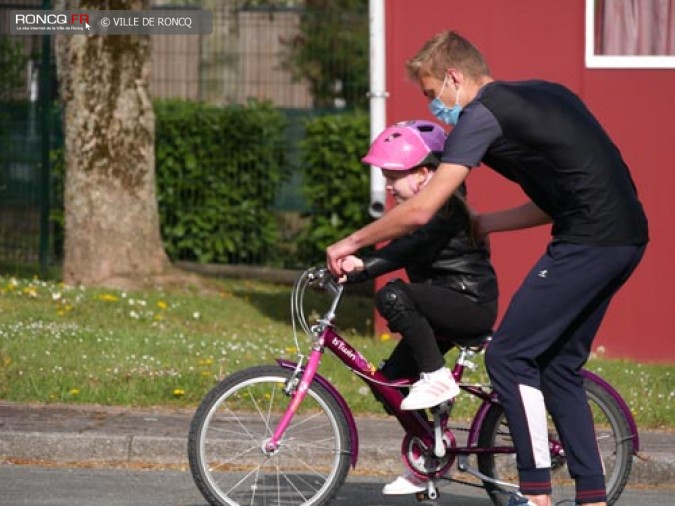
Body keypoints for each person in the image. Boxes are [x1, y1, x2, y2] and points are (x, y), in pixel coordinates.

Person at [326, 31, 648, 506]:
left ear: (455, 77)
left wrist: (351, 241)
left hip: (587, 241)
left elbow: (422, 210)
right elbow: (558, 197)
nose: (436, 107)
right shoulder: (546, 95)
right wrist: (486, 222)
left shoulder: (482, 115)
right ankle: (592, 497)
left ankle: (535, 493)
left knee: (508, 357)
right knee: (558, 367)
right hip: (626, 237)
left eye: (433, 94)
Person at [341, 118, 498, 495]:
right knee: (389, 384)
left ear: (426, 174)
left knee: (393, 294)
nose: (388, 186)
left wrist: (361, 268)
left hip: (468, 303)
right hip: (440, 305)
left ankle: (436, 377)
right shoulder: (422, 210)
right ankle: (430, 454)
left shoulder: (443, 211)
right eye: (386, 176)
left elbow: (403, 251)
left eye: (394, 176)